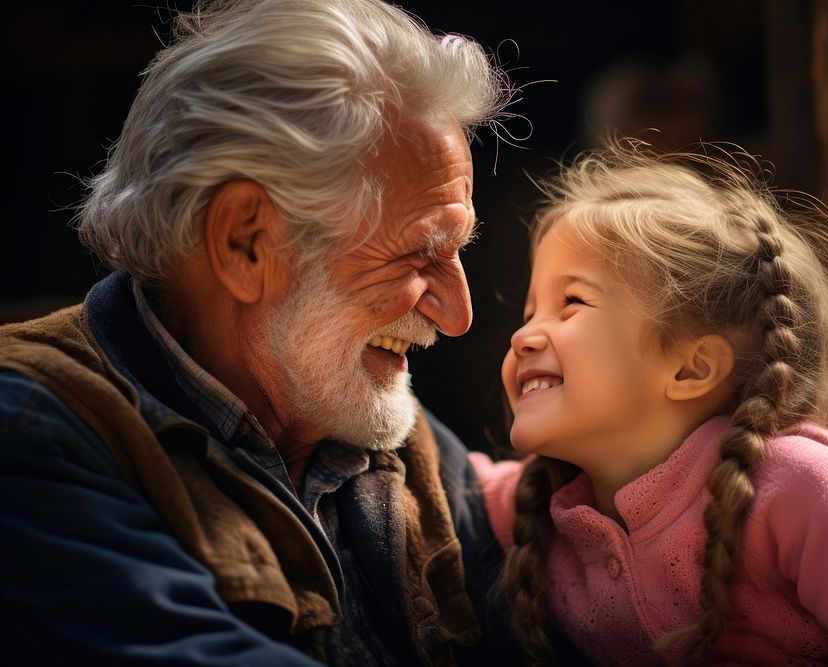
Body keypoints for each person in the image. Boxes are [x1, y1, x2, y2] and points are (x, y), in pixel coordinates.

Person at [0, 0, 521, 664]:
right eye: (419, 252)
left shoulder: (401, 439)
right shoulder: (33, 430)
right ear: (245, 241)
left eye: (458, 251)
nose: (458, 315)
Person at [470, 141, 828, 665]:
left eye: (571, 303)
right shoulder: (539, 503)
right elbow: (441, 469)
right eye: (530, 312)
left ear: (692, 368)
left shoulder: (798, 489)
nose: (523, 336)